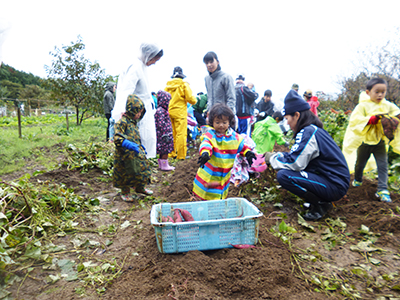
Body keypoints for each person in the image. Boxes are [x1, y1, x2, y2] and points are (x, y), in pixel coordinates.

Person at [264, 90, 350, 221]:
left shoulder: (308, 132)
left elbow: (295, 163)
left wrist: (272, 158)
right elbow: (298, 155)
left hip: (334, 184)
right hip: (333, 180)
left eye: (287, 118)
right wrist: (278, 154)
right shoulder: (314, 130)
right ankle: (318, 200)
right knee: (290, 171)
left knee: (284, 176)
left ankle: (321, 204)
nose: (286, 123)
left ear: (297, 115)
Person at [343, 78, 400, 202]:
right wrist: (369, 120)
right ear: (368, 93)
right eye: (377, 92)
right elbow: (354, 121)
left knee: (383, 165)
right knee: (360, 164)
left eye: (383, 92)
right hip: (365, 141)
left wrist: (395, 118)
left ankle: (383, 189)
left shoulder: (388, 105)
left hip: (380, 141)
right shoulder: (362, 106)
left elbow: (397, 113)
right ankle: (357, 179)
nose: (380, 95)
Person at [193, 103, 256, 200]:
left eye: (224, 122)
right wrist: (205, 153)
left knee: (219, 195)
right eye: (217, 122)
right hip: (210, 174)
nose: (221, 125)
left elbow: (242, 146)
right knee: (205, 195)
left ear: (229, 122)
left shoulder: (234, 137)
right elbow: (206, 144)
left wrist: (248, 152)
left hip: (224, 176)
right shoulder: (210, 135)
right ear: (212, 122)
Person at [111, 43, 164, 158]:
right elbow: (126, 91)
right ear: (149, 55)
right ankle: (138, 162)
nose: (154, 62)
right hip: (136, 112)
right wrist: (122, 110)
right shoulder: (135, 66)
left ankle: (144, 162)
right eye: (155, 59)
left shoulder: (142, 67)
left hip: (143, 111)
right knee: (138, 138)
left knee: (146, 138)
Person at [113, 94, 152, 202]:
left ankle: (140, 187)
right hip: (124, 154)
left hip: (135, 152)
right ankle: (125, 191)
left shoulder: (133, 123)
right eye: (137, 112)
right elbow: (116, 136)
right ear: (131, 111)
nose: (139, 115)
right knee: (125, 173)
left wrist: (138, 145)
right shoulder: (122, 122)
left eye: (140, 112)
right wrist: (126, 143)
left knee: (140, 169)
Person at [165, 66, 197, 160]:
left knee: (172, 133)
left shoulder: (167, 86)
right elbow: (190, 98)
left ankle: (171, 153)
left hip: (170, 111)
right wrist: (195, 101)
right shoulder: (184, 84)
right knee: (181, 134)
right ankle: (181, 155)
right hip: (180, 112)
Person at [154, 90, 175, 171]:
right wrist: (165, 133)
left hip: (164, 134)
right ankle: (164, 165)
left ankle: (161, 165)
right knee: (164, 150)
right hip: (164, 135)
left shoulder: (162, 110)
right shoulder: (161, 111)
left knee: (163, 150)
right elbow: (160, 124)